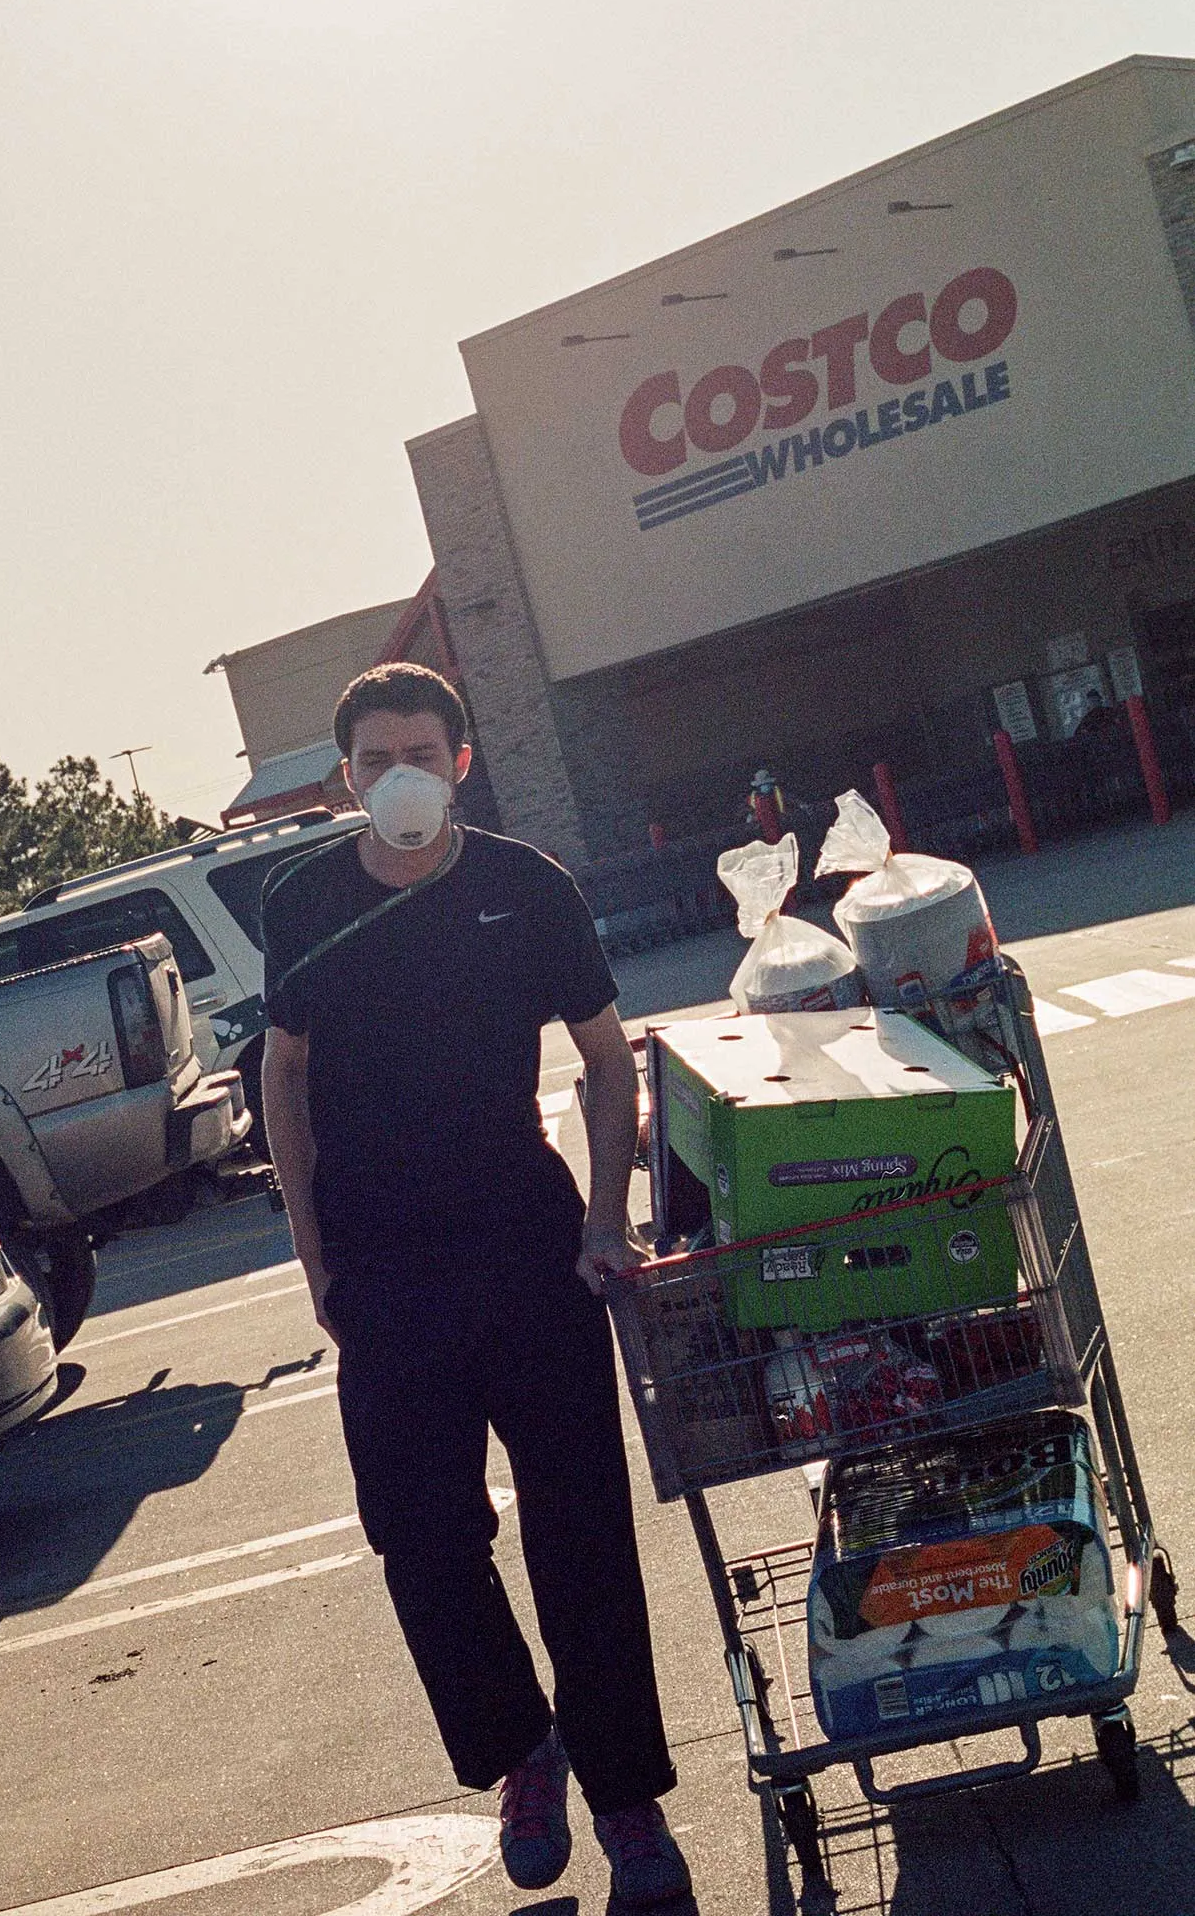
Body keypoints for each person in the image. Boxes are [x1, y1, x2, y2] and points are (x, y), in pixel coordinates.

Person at [260, 662, 690, 1908]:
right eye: (373, 759)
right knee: (421, 1538)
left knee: (581, 1528)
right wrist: (316, 1258)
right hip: (384, 1267)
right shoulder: (302, 898)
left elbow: (606, 1059)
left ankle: (628, 1800)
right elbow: (284, 1075)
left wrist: (604, 1218)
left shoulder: (527, 886)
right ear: (347, 779)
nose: (397, 776)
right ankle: (521, 1750)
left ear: (459, 764)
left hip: (526, 1242)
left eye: (419, 754)